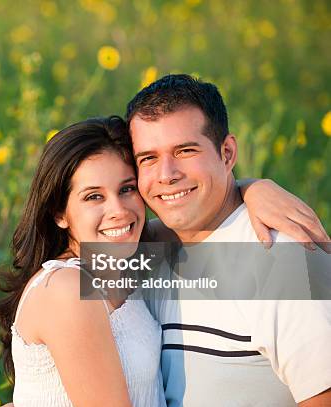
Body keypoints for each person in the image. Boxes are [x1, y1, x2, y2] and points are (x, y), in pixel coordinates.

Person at [0, 114, 328, 406]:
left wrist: (252, 189)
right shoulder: (68, 289)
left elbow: (204, 222)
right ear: (59, 213)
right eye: (94, 196)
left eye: (127, 189)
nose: (118, 211)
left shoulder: (131, 260)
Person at [125, 73, 331, 406]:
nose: (166, 175)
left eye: (185, 151)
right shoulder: (142, 251)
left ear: (227, 153)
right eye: (148, 158)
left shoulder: (287, 261)